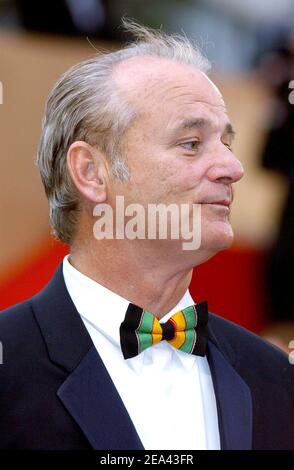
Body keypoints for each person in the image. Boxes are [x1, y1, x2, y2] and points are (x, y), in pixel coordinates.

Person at [0, 19, 293, 450]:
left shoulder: (272, 375)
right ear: (91, 172)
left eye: (226, 143)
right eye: (191, 143)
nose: (233, 168)